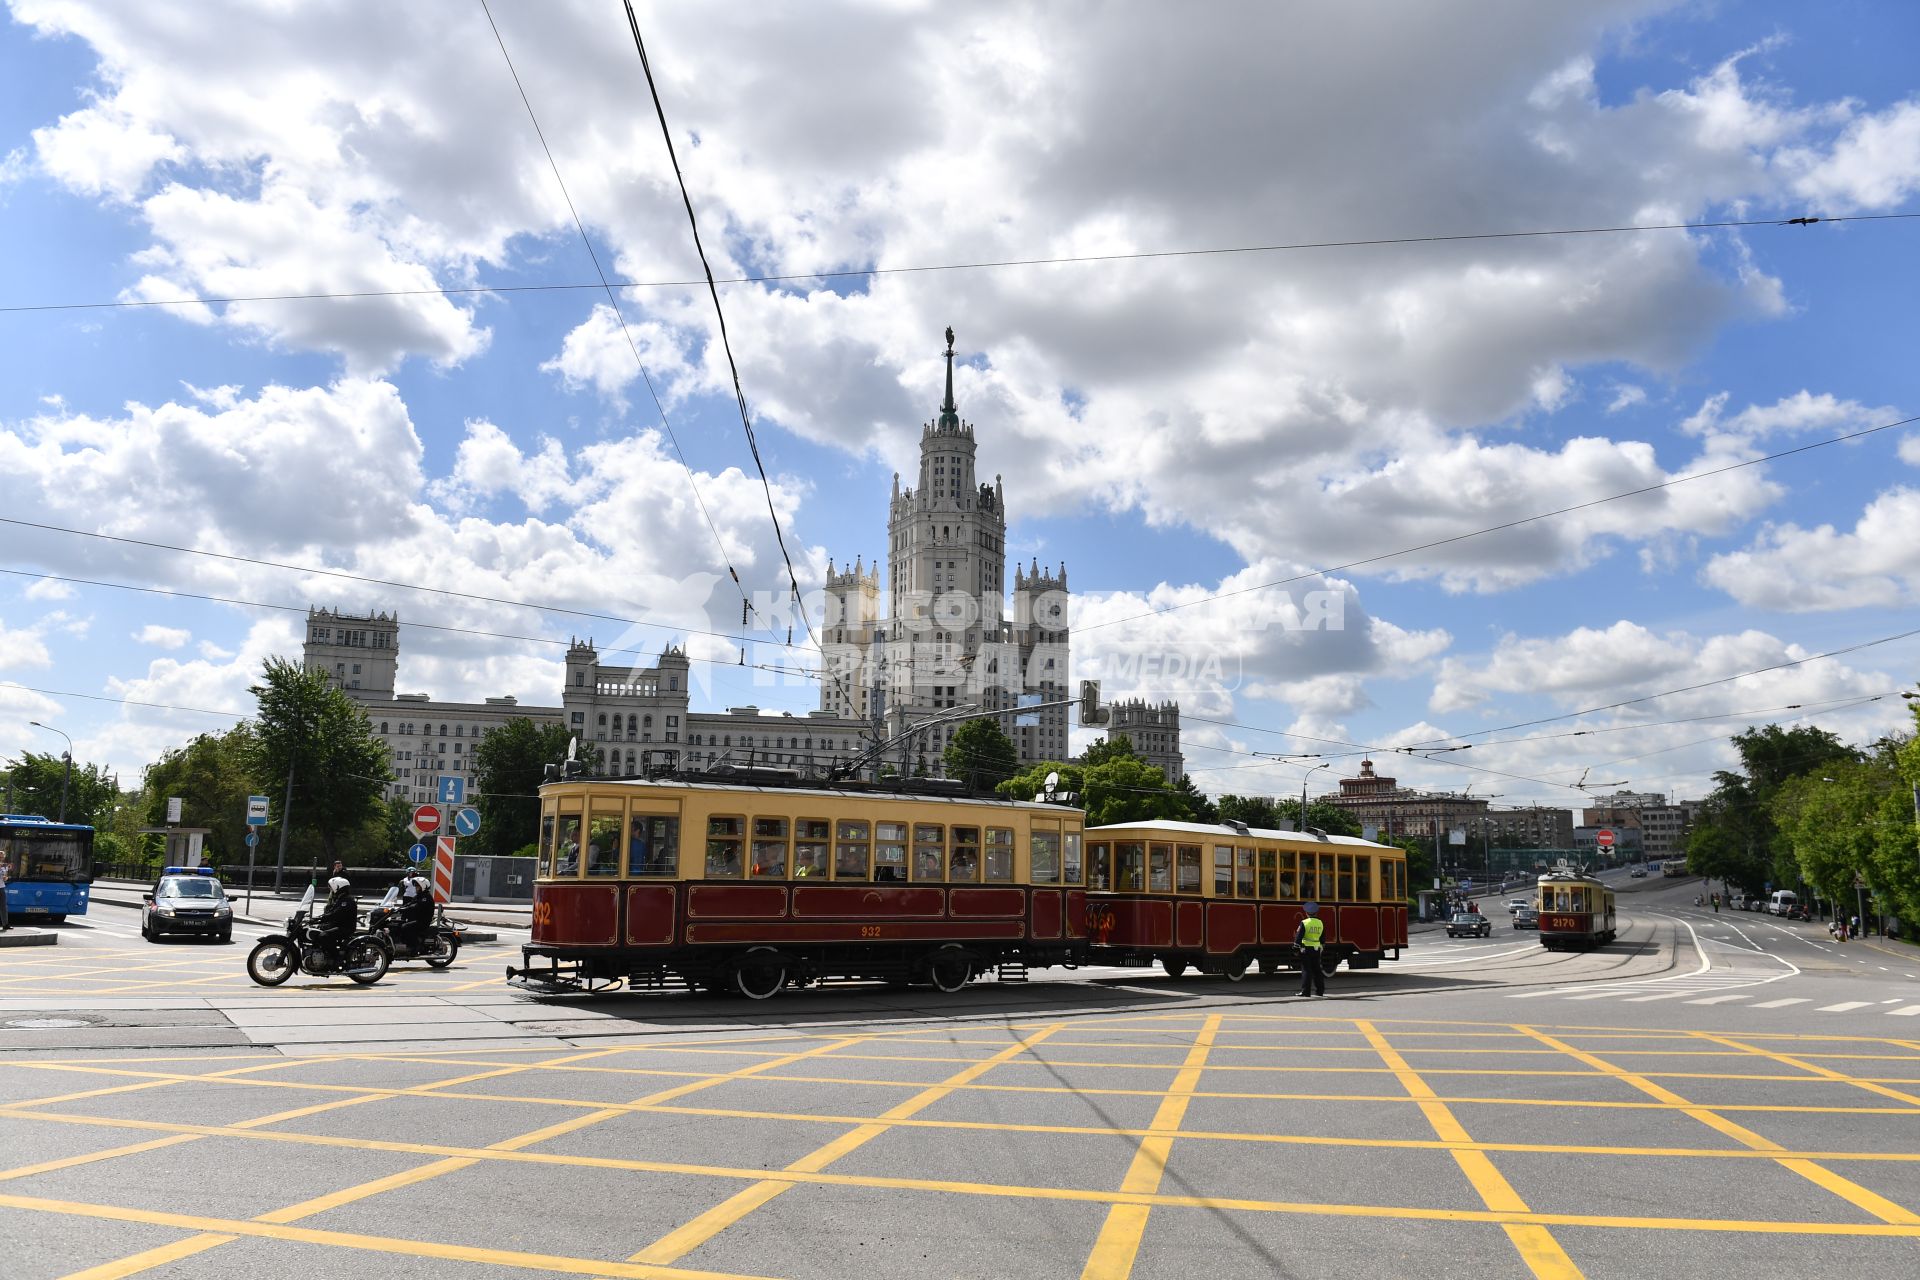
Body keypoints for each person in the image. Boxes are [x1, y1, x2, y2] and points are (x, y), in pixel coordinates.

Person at [307, 875, 358, 966]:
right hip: (336, 925)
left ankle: (337, 958)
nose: (330, 890)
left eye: (331, 888)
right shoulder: (340, 899)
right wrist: (317, 920)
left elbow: (335, 914)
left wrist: (320, 919)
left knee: (324, 936)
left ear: (338, 887)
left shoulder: (347, 901)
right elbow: (330, 912)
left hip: (345, 928)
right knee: (316, 931)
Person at [1294, 903, 1326, 998]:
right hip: (1316, 949)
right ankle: (1320, 991)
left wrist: (1295, 949)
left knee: (1306, 970)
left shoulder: (1304, 922)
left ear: (1307, 913)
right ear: (1316, 913)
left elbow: (1298, 937)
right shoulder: (1320, 923)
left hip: (1305, 949)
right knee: (1317, 970)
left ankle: (1305, 992)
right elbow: (1323, 939)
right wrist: (1321, 948)